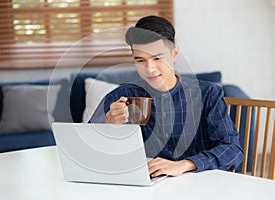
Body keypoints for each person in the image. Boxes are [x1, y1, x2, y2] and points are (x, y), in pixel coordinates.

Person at [90, 15, 244, 178]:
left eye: (157, 58)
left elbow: (232, 150)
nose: (150, 68)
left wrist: (185, 165)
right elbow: (86, 147)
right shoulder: (122, 95)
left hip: (198, 184)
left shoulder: (207, 94)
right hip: (144, 186)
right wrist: (107, 124)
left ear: (174, 53)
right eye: (140, 60)